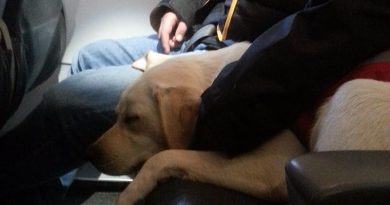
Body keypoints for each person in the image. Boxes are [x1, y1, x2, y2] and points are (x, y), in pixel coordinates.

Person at [1, 0, 390, 202]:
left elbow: (306, 40)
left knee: (71, 103)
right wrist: (178, 10)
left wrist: (219, 96)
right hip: (203, 41)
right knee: (88, 56)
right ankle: (41, 195)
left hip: (241, 62)